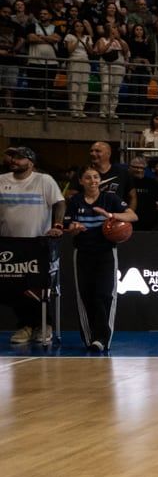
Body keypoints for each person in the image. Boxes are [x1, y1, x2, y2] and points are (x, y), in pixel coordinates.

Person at [61, 167, 135, 353]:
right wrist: (74, 228)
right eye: (88, 177)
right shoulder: (75, 201)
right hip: (83, 252)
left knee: (104, 294)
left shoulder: (110, 198)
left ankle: (102, 339)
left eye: (96, 177)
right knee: (85, 296)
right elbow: (67, 225)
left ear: (100, 180)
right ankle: (89, 338)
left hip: (105, 253)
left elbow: (133, 216)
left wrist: (111, 215)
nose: (93, 180)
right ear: (81, 181)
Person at [0, 144, 64, 344]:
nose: (14, 161)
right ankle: (26, 326)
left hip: (38, 243)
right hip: (9, 243)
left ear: (31, 162)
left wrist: (58, 224)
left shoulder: (44, 181)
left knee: (40, 288)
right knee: (15, 287)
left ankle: (45, 325)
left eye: (19, 158)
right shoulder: (1, 181)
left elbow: (59, 203)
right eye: (12, 157)